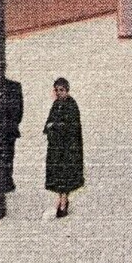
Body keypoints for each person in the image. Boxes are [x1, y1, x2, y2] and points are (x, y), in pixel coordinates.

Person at [43, 77, 84, 219]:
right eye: (57, 90)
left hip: (67, 149)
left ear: (67, 90)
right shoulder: (56, 104)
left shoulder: (71, 105)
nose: (59, 93)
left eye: (61, 90)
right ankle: (61, 199)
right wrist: (50, 126)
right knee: (58, 176)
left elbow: (71, 127)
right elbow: (49, 121)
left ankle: (63, 202)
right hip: (56, 147)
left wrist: (54, 126)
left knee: (65, 175)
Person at [1, 78, 25, 193]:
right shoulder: (15, 86)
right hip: (10, 129)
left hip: (7, 129)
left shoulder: (14, 86)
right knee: (8, 155)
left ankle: (5, 180)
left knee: (7, 155)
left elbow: (19, 111)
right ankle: (6, 180)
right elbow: (20, 111)